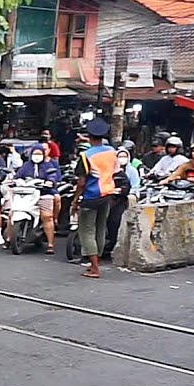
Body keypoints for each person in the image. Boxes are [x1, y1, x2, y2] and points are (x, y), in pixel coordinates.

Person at [73, 118, 119, 279]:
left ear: (89, 135)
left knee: (87, 231)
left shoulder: (85, 156)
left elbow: (81, 182)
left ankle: (94, 268)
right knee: (100, 228)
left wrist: (75, 201)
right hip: (107, 194)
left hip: (91, 196)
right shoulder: (111, 151)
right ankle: (96, 262)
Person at [7, 144, 61, 254]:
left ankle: (50, 244)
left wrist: (50, 182)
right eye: (35, 153)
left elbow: (52, 176)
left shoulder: (48, 166)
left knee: (47, 216)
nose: (37, 156)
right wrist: (13, 181)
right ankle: (9, 238)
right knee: (11, 214)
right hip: (26, 194)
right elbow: (18, 176)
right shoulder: (26, 166)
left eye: (39, 154)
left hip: (44, 194)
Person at [104, 147, 141, 258]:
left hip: (123, 198)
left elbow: (133, 186)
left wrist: (123, 191)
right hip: (109, 197)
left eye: (124, 156)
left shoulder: (131, 171)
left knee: (115, 220)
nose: (122, 159)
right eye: (119, 156)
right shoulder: (110, 169)